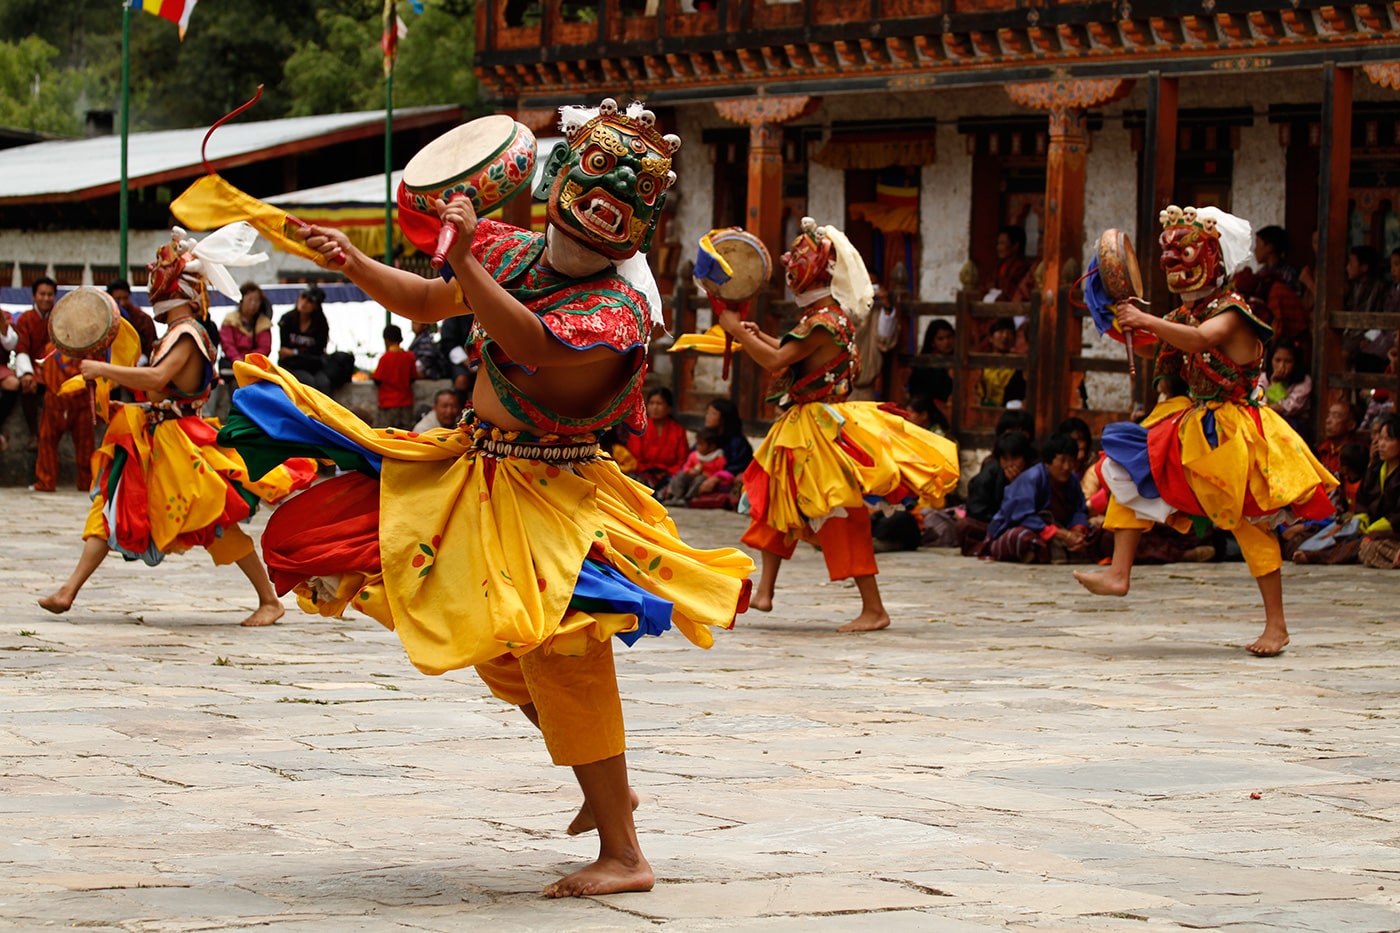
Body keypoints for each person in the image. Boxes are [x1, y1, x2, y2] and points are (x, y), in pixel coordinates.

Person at [218, 99, 754, 898]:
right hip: (478, 475)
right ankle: (608, 789)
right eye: (588, 187)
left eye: (619, 204)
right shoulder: (517, 248)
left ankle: (624, 849)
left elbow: (530, 343)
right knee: (508, 653)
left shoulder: (618, 309)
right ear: (558, 186)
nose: (597, 210)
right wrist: (354, 264)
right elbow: (433, 301)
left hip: (553, 495)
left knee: (565, 652)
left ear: (636, 230)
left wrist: (465, 257)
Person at [1073, 205, 1336, 657]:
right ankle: (1119, 573)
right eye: (1168, 254)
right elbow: (1168, 355)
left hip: (1237, 431)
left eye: (1185, 251)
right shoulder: (1183, 312)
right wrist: (1124, 317)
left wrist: (1149, 321)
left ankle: (1277, 625)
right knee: (1123, 465)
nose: (1174, 261)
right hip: (1191, 422)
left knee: (1250, 522)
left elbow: (1200, 340)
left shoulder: (1234, 311)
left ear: (1212, 258)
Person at [38, 225, 314, 626]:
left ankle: (269, 600)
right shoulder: (173, 334)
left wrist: (102, 368)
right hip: (153, 436)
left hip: (181, 442)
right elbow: (157, 392)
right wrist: (113, 395)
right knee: (111, 508)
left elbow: (155, 379)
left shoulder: (188, 334)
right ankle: (69, 591)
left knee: (213, 521)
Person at [717, 216, 959, 632]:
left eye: (797, 257)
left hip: (819, 429)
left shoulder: (824, 321)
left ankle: (873, 608)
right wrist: (754, 336)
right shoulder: (826, 317)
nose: (789, 261)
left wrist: (738, 330)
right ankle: (766, 591)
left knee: (839, 513)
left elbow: (777, 361)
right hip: (806, 424)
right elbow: (791, 353)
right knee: (779, 501)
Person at [13, 277, 93, 491]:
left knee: (85, 443)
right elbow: (21, 348)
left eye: (50, 294)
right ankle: (45, 480)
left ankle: (87, 481)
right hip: (49, 384)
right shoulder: (27, 320)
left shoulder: (68, 322)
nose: (46, 298)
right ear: (34, 296)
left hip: (78, 388)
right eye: (42, 294)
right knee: (46, 440)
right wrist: (28, 373)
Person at [982, 433, 1105, 564]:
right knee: (1022, 538)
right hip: (1028, 528)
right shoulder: (1032, 478)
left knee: (1097, 534)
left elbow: (1079, 509)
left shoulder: (1072, 479)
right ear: (1048, 462)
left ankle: (1053, 552)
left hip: (1060, 528)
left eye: (1071, 461)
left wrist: (1077, 531)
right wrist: (1062, 534)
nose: (1067, 467)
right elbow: (1023, 516)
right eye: (1062, 461)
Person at [1235, 225, 1309, 353]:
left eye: (1258, 244)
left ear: (1269, 247)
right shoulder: (1260, 274)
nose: (1254, 250)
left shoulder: (1288, 274)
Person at [214, 282, 275, 418]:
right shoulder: (230, 320)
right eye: (250, 300)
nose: (253, 304)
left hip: (255, 367)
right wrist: (239, 361)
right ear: (241, 300)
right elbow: (227, 344)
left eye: (257, 300)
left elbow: (264, 347)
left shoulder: (262, 323)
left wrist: (250, 362)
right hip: (234, 366)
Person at [1356, 412, 1400, 570]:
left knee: (1369, 548)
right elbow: (1362, 499)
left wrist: (1375, 530)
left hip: (1392, 533)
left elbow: (1397, 516)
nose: (1381, 444)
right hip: (1373, 531)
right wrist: (1362, 521)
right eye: (1380, 439)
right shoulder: (1376, 468)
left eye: (1388, 440)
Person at [624, 386, 689, 493]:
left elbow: (682, 460)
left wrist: (668, 472)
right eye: (651, 403)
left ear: (669, 408)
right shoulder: (639, 428)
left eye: (659, 404)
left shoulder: (678, 430)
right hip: (644, 473)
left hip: (669, 475)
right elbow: (634, 458)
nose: (654, 407)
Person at [693, 396, 751, 500]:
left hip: (725, 479)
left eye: (713, 414)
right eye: (708, 413)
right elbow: (694, 457)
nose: (708, 417)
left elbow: (737, 467)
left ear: (724, 418)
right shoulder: (705, 438)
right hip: (703, 476)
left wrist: (716, 478)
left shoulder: (737, 442)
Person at [849, 282, 900, 401]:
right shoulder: (844, 305)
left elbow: (885, 338)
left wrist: (886, 304)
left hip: (864, 388)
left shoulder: (877, 311)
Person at [1256, 341, 1312, 439]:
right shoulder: (1263, 378)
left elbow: (1287, 408)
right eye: (1278, 360)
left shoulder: (1304, 382)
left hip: (1294, 430)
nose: (1282, 366)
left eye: (1288, 361)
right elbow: (1260, 404)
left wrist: (1275, 384)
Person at [278, 286, 331, 388]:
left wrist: (294, 352)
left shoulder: (321, 324)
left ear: (316, 306)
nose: (304, 302)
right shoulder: (287, 319)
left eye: (310, 301)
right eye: (303, 297)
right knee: (307, 381)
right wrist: (303, 354)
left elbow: (318, 351)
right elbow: (284, 351)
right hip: (291, 366)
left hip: (313, 366)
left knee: (323, 383)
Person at [660, 426, 726, 505]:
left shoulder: (719, 459)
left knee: (700, 479)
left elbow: (720, 473)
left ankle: (688, 498)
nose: (697, 447)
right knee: (680, 475)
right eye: (697, 443)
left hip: (702, 482)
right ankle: (676, 496)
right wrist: (690, 471)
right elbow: (686, 467)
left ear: (712, 446)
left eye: (701, 444)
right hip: (690, 478)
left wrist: (708, 476)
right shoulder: (694, 455)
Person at [372, 324, 417, 427]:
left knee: (387, 435)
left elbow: (377, 379)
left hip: (388, 404)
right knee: (405, 435)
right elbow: (413, 377)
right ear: (401, 339)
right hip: (406, 403)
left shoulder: (385, 358)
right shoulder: (409, 356)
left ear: (386, 340)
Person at [975, 317, 1026, 408]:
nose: (1005, 336)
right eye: (1001, 331)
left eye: (1010, 333)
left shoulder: (1019, 364)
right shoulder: (982, 361)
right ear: (991, 338)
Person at [106, 278, 157, 364]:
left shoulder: (143, 319)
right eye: (118, 299)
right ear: (110, 298)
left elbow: (152, 347)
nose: (122, 303)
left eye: (125, 298)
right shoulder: (104, 320)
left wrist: (143, 359)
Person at [907, 318, 953, 404]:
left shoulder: (958, 361)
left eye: (949, 337)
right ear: (932, 342)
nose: (946, 342)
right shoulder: (923, 365)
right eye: (940, 339)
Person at [987, 225, 1034, 303]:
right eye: (998, 244)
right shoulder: (1000, 266)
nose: (998, 248)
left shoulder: (1022, 267)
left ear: (1015, 246)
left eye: (1002, 244)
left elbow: (1014, 291)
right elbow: (989, 285)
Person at [1314, 399, 1361, 478]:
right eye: (1329, 415)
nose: (1328, 421)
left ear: (1351, 425)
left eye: (1336, 416)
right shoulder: (1322, 450)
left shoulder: (1356, 455)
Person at [0, 307, 17, 452]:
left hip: (1, 366)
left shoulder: (5, 316)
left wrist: (2, 322)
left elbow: (10, 344)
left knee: (13, 384)